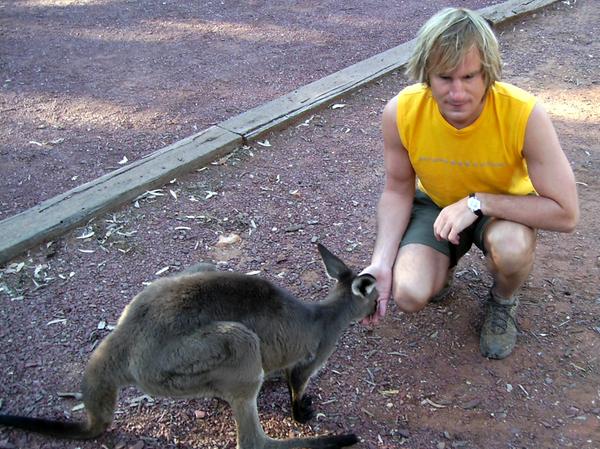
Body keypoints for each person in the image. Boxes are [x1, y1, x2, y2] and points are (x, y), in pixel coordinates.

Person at [361, 7, 579, 359]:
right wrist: (381, 263)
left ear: (488, 74)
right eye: (444, 78)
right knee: (410, 293)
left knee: (511, 248)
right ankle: (442, 265)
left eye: (470, 77)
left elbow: (566, 214)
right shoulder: (401, 112)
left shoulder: (523, 113)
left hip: (501, 207)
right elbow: (397, 189)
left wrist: (477, 203)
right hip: (436, 205)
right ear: (426, 76)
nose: (457, 93)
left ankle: (503, 299)